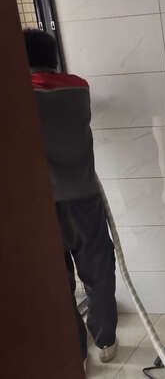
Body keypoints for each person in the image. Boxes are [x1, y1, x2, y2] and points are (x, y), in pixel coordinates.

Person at [23, 29, 118, 368]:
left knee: (57, 283)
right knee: (99, 273)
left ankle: (75, 353)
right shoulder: (78, 88)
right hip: (83, 200)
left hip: (40, 206)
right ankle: (105, 341)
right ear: (53, 57)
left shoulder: (18, 96)